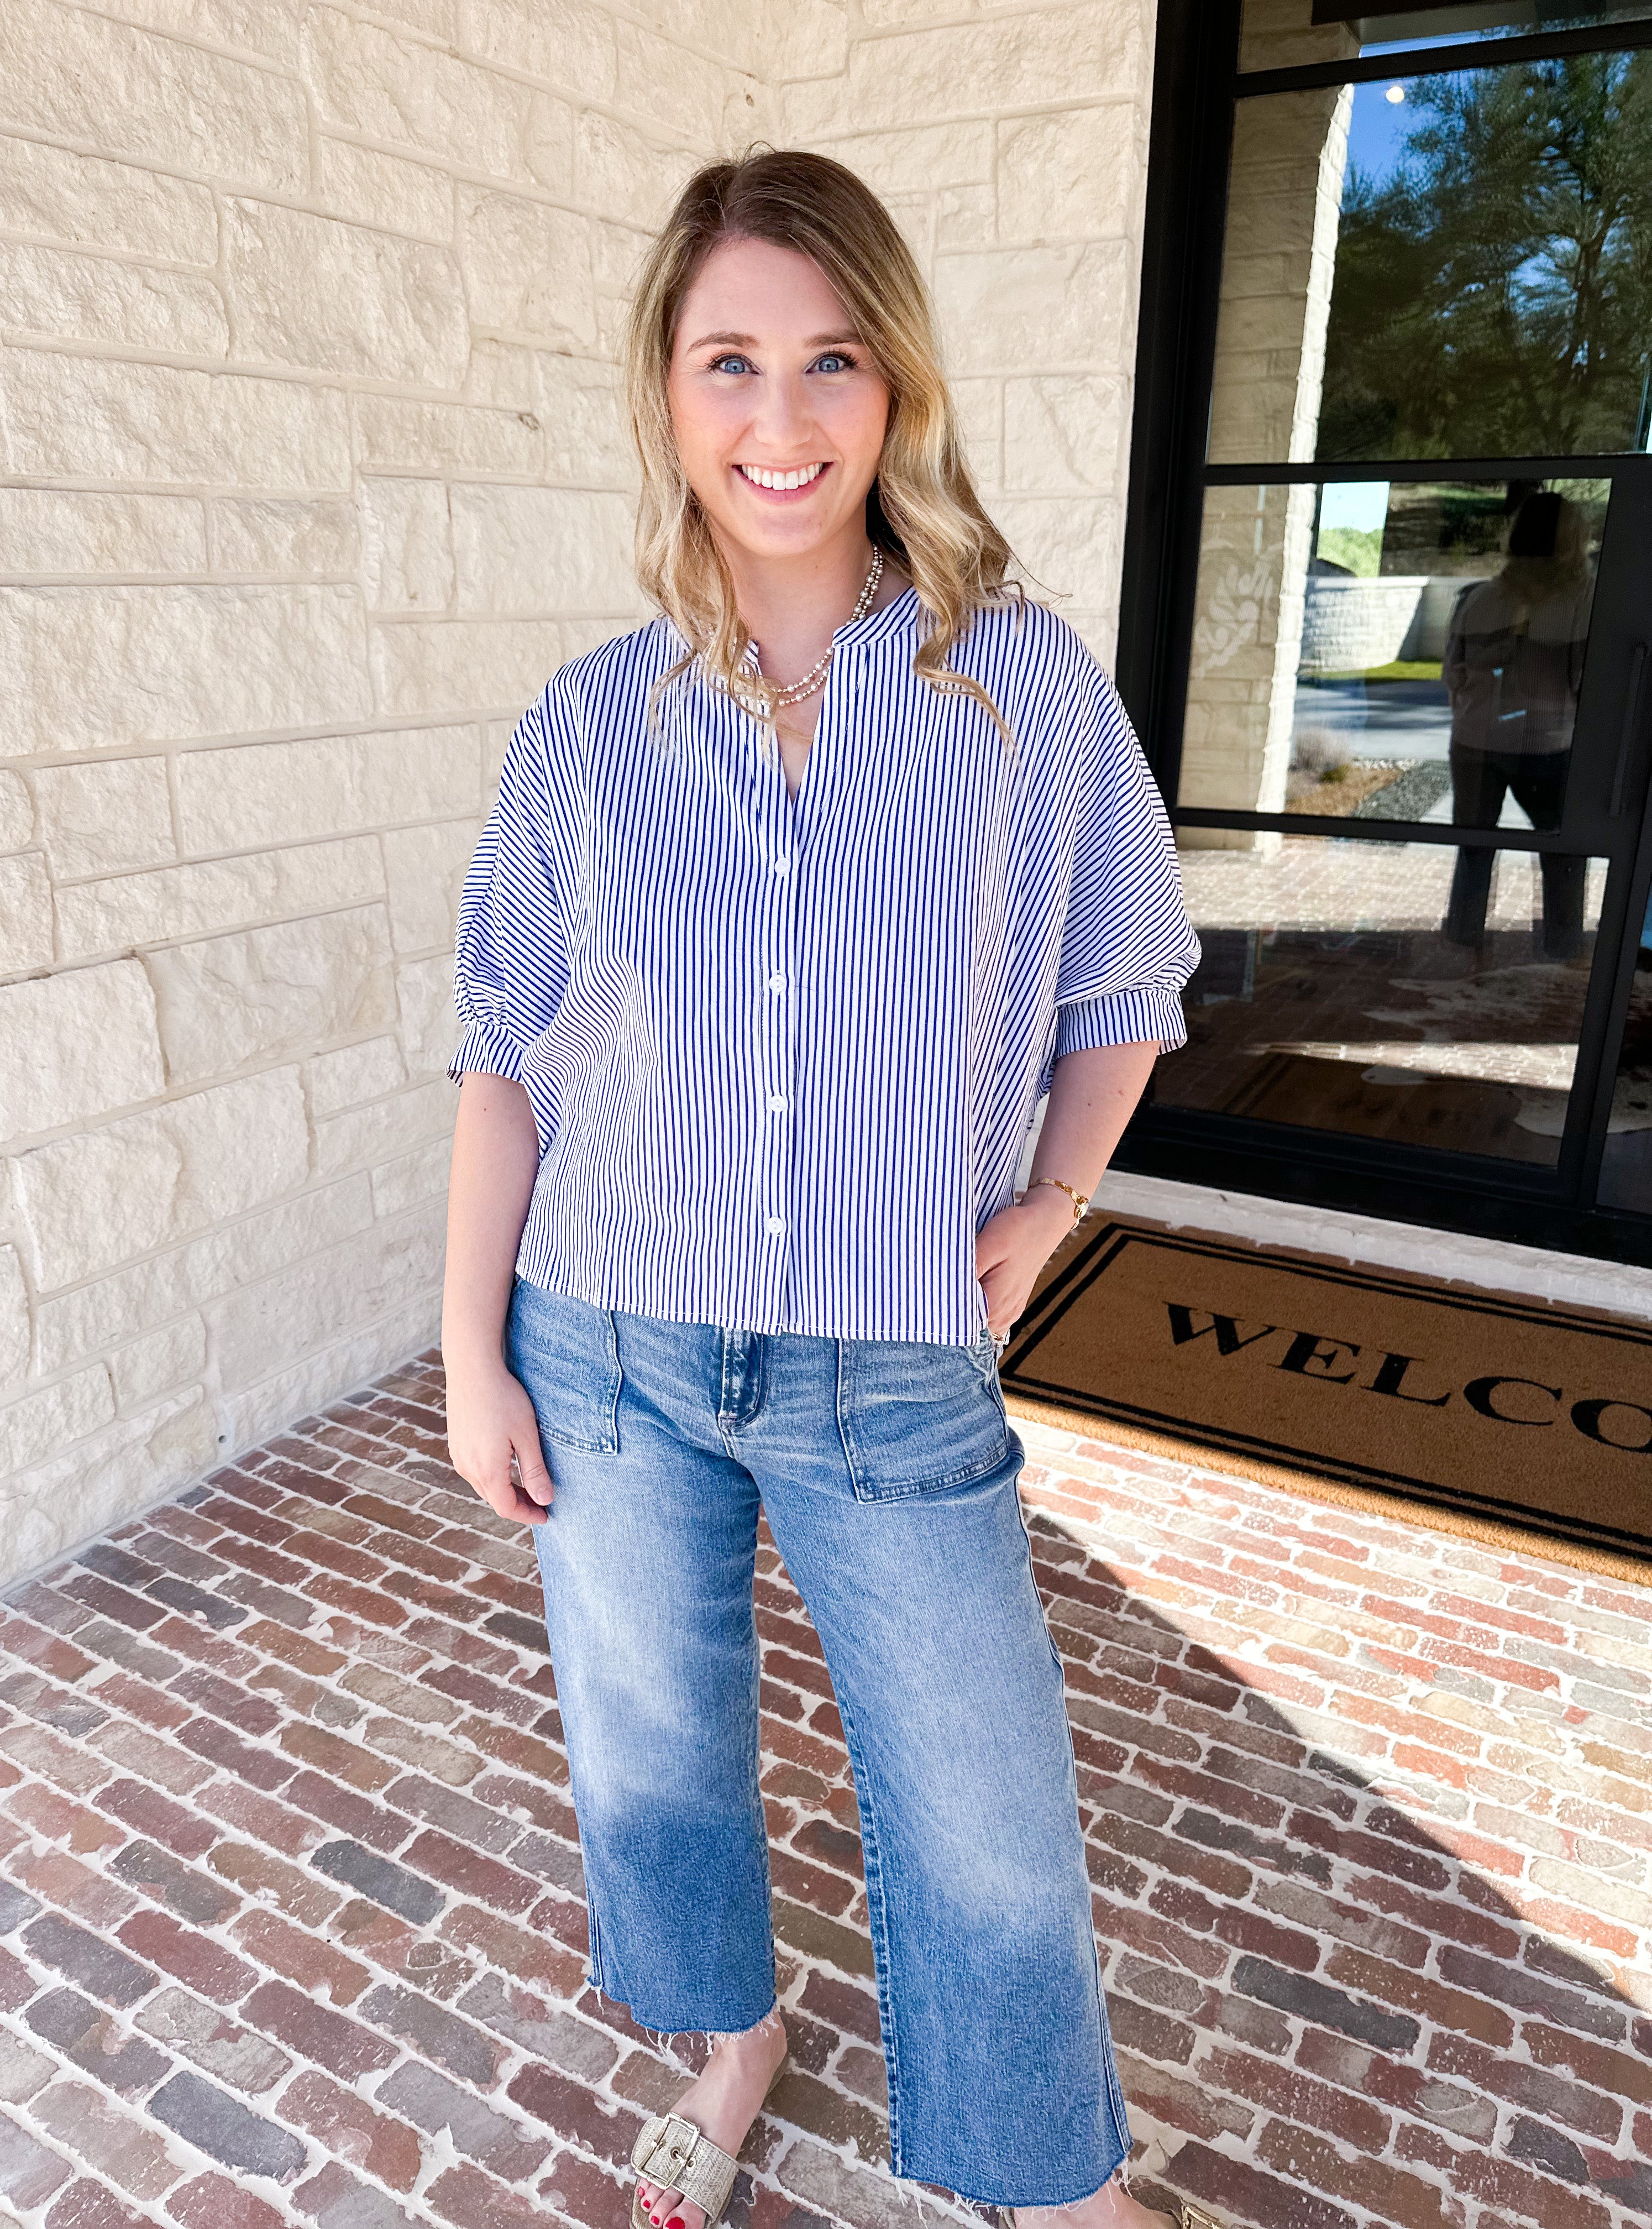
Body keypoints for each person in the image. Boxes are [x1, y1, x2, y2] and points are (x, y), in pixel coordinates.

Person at [442, 151, 1208, 2229]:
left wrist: (1051, 1201)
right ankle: (734, 2041)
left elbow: (1126, 969)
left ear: (893, 390)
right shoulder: (583, 728)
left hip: (890, 1356)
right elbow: (505, 1052)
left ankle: (1048, 2179)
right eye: (727, 364)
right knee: (656, 1760)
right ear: (665, 396)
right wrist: (464, 1353)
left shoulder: (1016, 688)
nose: (776, 420)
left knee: (982, 1811)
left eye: (825, 361)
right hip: (605, 1342)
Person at [1443, 490, 1593, 959]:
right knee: (1563, 854)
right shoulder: (1585, 602)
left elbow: (1453, 675)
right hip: (1551, 746)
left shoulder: (1478, 598)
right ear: (1574, 540)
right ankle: (1562, 947)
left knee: (1473, 847)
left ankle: (1463, 939)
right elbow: (1582, 683)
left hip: (1474, 741)